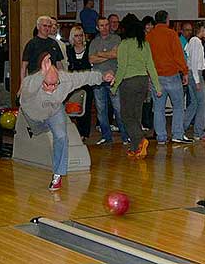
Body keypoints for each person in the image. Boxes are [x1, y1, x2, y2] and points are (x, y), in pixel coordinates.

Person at [19, 52, 115, 191]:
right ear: (41, 80)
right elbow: (29, 87)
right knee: (39, 131)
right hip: (33, 115)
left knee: (62, 136)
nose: (52, 88)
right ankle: (40, 128)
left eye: (55, 84)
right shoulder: (31, 83)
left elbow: (85, 76)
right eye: (48, 85)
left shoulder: (65, 80)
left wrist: (102, 77)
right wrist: (42, 74)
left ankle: (58, 175)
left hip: (54, 111)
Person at [112, 14, 161, 158]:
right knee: (136, 116)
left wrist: (114, 87)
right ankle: (136, 148)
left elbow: (121, 68)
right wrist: (157, 87)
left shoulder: (124, 45)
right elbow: (150, 66)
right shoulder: (144, 43)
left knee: (126, 116)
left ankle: (140, 139)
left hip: (129, 83)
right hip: (143, 82)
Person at [146, 10, 193, 144]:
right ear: (167, 20)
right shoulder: (172, 34)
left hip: (156, 77)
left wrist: (149, 75)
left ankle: (161, 137)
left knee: (158, 108)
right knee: (178, 106)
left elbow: (147, 58)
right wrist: (184, 72)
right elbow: (178, 55)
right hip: (172, 75)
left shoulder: (149, 36)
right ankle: (177, 134)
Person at [89, 16, 130, 145]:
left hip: (114, 79)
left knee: (118, 109)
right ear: (97, 27)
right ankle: (107, 137)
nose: (105, 27)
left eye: (107, 25)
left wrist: (100, 54)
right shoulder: (94, 42)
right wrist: (108, 55)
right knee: (101, 110)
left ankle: (125, 136)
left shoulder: (116, 39)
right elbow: (91, 59)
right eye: (102, 25)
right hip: (98, 80)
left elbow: (116, 54)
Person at [20, 16, 64, 94]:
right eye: (44, 25)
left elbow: (59, 65)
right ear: (38, 27)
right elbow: (24, 67)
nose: (47, 28)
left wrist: (63, 81)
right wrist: (23, 85)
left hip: (52, 83)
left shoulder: (54, 43)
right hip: (35, 83)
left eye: (49, 26)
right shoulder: (31, 44)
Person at [183, 22, 205, 141]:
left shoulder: (193, 41)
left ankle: (181, 127)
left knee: (194, 103)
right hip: (195, 74)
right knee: (203, 104)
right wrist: (197, 80)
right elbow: (194, 62)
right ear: (202, 29)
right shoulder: (196, 41)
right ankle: (198, 132)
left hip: (192, 73)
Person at [66, 25, 94, 141]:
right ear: (72, 37)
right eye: (76, 36)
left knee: (86, 109)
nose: (79, 38)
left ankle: (85, 133)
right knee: (74, 108)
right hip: (73, 84)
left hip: (87, 83)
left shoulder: (89, 48)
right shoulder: (69, 50)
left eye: (81, 35)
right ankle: (76, 132)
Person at [141, 15, 156, 131]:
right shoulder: (141, 38)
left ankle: (149, 121)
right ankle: (144, 121)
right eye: (147, 24)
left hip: (153, 70)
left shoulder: (155, 37)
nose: (149, 26)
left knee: (150, 97)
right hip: (143, 70)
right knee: (144, 97)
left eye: (151, 24)